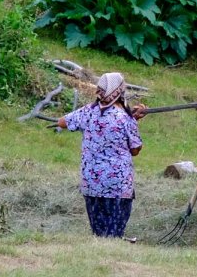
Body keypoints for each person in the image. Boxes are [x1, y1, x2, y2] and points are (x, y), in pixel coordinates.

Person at [56, 72, 147, 239]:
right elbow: (135, 150)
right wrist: (134, 120)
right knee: (113, 235)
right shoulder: (125, 119)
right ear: (120, 91)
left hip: (91, 182)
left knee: (98, 234)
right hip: (116, 185)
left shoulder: (88, 112)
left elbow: (62, 122)